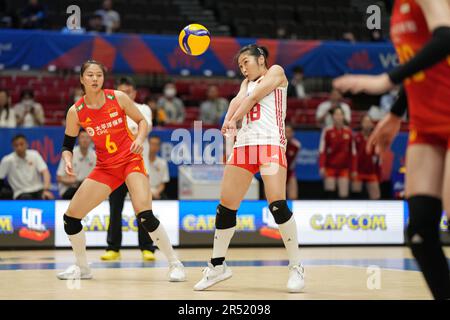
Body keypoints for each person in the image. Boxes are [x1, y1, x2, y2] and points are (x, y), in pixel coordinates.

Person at [333, 0, 450, 300]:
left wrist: (385, 80)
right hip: (427, 122)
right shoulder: (397, 6)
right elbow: (426, 60)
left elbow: (447, 37)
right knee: (421, 234)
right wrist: (397, 112)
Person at [56, 60, 185, 282]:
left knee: (144, 214)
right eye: (90, 75)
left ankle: (175, 264)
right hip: (105, 168)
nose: (95, 79)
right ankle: (83, 267)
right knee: (71, 218)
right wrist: (68, 159)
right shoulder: (75, 111)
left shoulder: (118, 97)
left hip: (130, 161)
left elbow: (142, 122)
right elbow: (67, 145)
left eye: (99, 75)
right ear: (81, 79)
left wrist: (140, 139)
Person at [194, 44, 305, 293]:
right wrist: (227, 124)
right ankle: (217, 266)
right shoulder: (246, 84)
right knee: (225, 207)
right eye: (240, 65)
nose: (243, 68)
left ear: (261, 59)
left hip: (269, 144)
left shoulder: (276, 72)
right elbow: (238, 99)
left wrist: (233, 119)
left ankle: (296, 266)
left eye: (246, 62)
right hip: (244, 145)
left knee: (277, 203)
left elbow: (253, 99)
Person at [100, 76, 156, 262]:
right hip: (115, 169)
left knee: (143, 210)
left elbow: (142, 128)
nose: (125, 94)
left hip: (138, 168)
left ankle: (147, 247)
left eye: (128, 91)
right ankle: (113, 247)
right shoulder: (110, 111)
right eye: (121, 91)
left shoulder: (143, 109)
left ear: (134, 92)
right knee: (115, 209)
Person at [0, 134, 54, 200]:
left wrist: (46, 190)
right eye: (16, 145)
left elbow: (45, 172)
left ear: (27, 144)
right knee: (26, 198)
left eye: (21, 144)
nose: (19, 147)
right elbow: (1, 177)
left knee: (48, 197)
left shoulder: (35, 154)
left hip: (38, 190)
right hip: (21, 192)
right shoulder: (7, 160)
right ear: (13, 147)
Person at [318, 107, 356, 199]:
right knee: (330, 193)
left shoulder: (349, 131)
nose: (338, 117)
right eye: (336, 114)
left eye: (340, 114)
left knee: (344, 195)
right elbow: (322, 151)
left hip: (344, 168)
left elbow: (353, 153)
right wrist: (322, 166)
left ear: (343, 117)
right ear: (332, 117)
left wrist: (354, 169)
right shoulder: (327, 131)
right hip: (330, 167)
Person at [57, 130, 96, 200]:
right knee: (78, 191)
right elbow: (59, 177)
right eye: (82, 137)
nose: (85, 140)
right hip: (70, 188)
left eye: (87, 137)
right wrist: (74, 181)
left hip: (88, 188)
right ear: (78, 139)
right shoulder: (69, 154)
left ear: (91, 140)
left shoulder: (95, 156)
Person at [351, 115, 381, 200]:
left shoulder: (376, 139)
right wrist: (353, 170)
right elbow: (352, 155)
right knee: (356, 197)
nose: (367, 124)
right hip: (358, 172)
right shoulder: (356, 137)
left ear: (372, 124)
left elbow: (379, 158)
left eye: (369, 122)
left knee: (376, 196)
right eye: (365, 122)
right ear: (361, 124)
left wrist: (378, 174)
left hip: (371, 172)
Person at [148, 135, 169, 200]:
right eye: (152, 144)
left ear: (159, 147)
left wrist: (156, 192)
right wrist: (149, 192)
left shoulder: (162, 163)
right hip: (142, 191)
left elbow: (162, 183)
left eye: (156, 144)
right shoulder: (140, 161)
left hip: (157, 192)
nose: (154, 146)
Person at [285, 124, 301, 200]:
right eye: (286, 132)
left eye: (289, 132)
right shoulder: (277, 144)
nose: (287, 134)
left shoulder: (296, 145)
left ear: (293, 133)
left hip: (289, 171)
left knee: (293, 196)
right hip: (277, 172)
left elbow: (293, 163)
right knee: (273, 197)